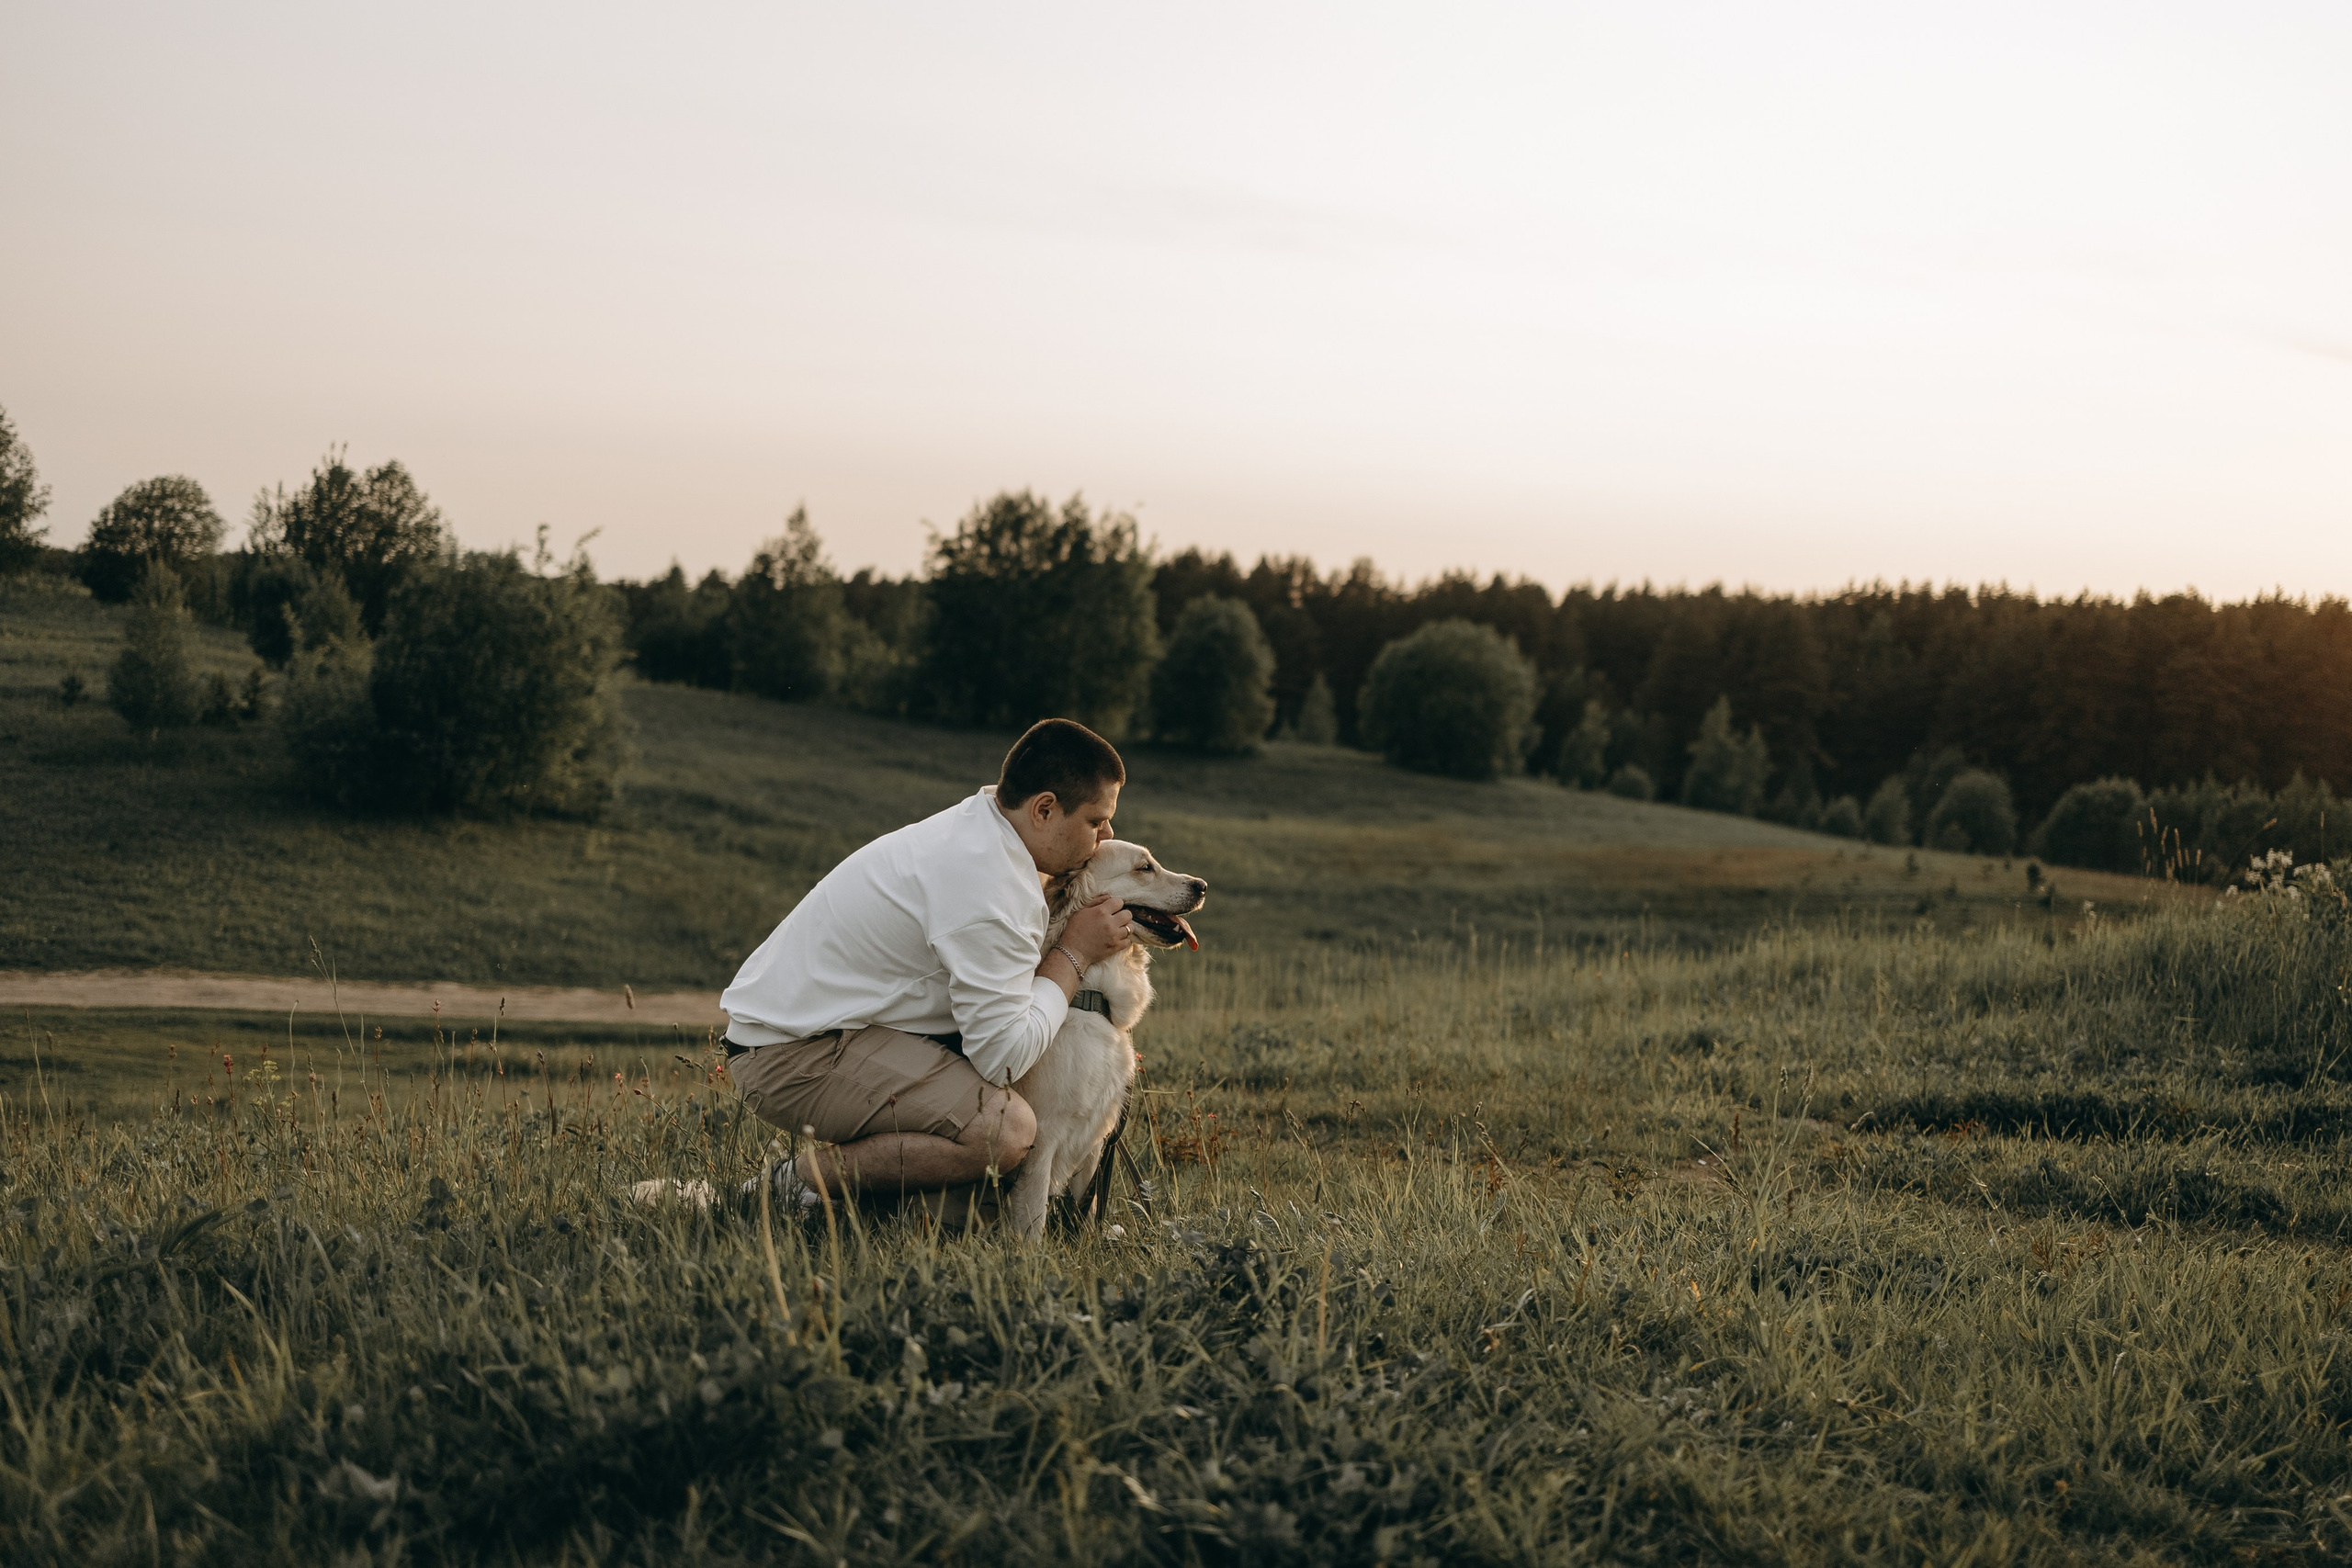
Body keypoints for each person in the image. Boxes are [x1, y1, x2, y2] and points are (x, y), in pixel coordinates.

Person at [718, 717, 1135, 1208]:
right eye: (1095, 821)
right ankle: (788, 1190)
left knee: (991, 1155)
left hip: (828, 1026)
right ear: (1044, 809)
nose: (1106, 834)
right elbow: (1003, 1059)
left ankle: (882, 1207)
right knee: (1004, 1130)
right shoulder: (991, 890)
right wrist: (1075, 953)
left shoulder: (983, 828)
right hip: (792, 1054)